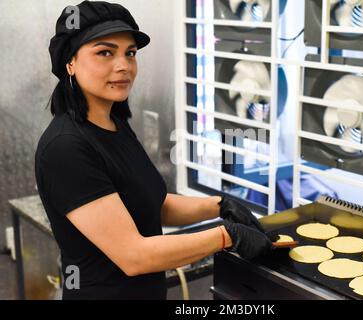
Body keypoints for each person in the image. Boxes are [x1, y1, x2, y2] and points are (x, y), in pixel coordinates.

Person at [34, 1, 274, 300]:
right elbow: (134, 256)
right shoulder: (66, 148)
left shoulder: (114, 124)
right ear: (70, 62)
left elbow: (149, 204)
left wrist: (219, 206)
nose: (123, 65)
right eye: (105, 52)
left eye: (130, 53)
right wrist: (226, 236)